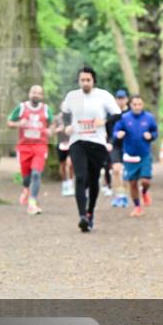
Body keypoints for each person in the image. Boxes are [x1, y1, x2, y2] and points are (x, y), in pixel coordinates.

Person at [60, 67, 122, 232]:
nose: (85, 83)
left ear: (93, 81)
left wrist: (105, 121)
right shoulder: (72, 96)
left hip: (97, 142)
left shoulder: (103, 96)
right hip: (77, 141)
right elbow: (65, 112)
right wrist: (67, 126)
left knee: (94, 180)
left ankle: (90, 212)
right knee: (80, 177)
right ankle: (82, 216)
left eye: (88, 80)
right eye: (82, 80)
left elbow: (117, 114)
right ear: (79, 81)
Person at [6, 85, 53, 215]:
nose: (36, 95)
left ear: (42, 96)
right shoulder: (21, 108)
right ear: (29, 93)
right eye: (33, 92)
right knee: (26, 179)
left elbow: (52, 125)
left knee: (36, 174)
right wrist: (18, 124)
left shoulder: (46, 109)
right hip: (24, 147)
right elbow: (9, 122)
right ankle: (26, 189)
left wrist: (51, 131)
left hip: (40, 146)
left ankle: (32, 203)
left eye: (39, 93)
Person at [114, 94, 158, 218]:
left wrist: (151, 135)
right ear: (130, 105)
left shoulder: (149, 118)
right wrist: (119, 134)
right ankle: (137, 207)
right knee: (132, 183)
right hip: (130, 156)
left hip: (144, 154)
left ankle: (144, 192)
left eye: (139, 104)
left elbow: (155, 131)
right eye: (135, 104)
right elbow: (116, 131)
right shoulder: (124, 118)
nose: (137, 107)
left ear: (142, 105)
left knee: (145, 181)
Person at [106, 89, 130, 208]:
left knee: (126, 172)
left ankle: (124, 194)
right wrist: (108, 142)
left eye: (122, 98)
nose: (120, 101)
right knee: (116, 170)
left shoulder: (131, 113)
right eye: (118, 98)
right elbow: (107, 129)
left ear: (127, 99)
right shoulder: (112, 114)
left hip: (128, 145)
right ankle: (118, 195)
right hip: (115, 145)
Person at [55, 116, 74, 197]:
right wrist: (58, 129)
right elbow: (52, 130)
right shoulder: (57, 118)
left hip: (71, 143)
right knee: (62, 166)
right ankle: (64, 184)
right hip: (61, 144)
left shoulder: (72, 116)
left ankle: (70, 184)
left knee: (70, 164)